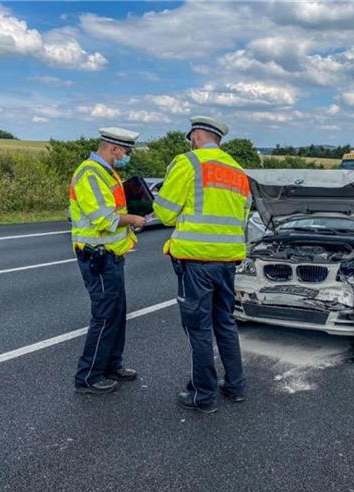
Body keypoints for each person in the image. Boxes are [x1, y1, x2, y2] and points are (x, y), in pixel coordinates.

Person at [153, 116, 251, 414]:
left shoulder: (188, 163)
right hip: (227, 261)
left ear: (196, 135)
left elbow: (165, 213)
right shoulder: (238, 171)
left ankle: (203, 395)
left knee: (198, 328)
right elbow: (244, 215)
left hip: (196, 261)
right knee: (225, 323)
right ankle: (235, 386)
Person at [70, 127, 147, 394]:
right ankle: (88, 377)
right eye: (126, 151)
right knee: (104, 316)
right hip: (97, 257)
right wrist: (134, 219)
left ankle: (112, 364)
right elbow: (104, 218)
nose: (127, 156)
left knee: (116, 313)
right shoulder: (90, 172)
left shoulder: (107, 172)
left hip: (111, 256)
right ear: (113, 148)